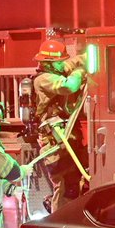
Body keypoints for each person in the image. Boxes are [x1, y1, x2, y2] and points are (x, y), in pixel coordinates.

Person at [31, 39, 88, 213]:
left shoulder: (56, 69)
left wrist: (92, 54)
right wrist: (79, 72)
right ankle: (61, 224)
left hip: (67, 139)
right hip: (55, 144)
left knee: (75, 184)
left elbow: (72, 63)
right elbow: (69, 86)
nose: (63, 64)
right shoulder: (43, 80)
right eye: (59, 62)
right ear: (49, 63)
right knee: (64, 188)